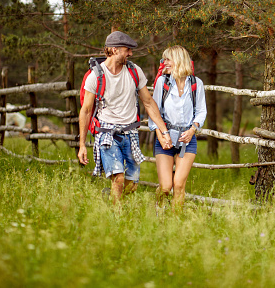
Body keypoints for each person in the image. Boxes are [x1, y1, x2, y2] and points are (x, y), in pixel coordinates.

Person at [78, 31, 173, 204]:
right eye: (127, 49)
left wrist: (164, 130)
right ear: (114, 50)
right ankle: (117, 218)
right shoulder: (95, 76)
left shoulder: (134, 71)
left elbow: (149, 102)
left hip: (131, 133)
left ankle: (111, 200)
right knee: (119, 179)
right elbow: (85, 111)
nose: (130, 53)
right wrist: (82, 144)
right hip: (107, 133)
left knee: (131, 185)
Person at [148, 45, 207, 210]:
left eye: (168, 59)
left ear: (179, 61)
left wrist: (192, 130)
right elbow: (154, 112)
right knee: (166, 186)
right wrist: (161, 136)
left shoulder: (196, 84)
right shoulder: (163, 82)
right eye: (163, 59)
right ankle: (157, 212)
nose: (164, 62)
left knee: (179, 185)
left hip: (187, 140)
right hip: (165, 137)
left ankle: (175, 223)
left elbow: (201, 111)